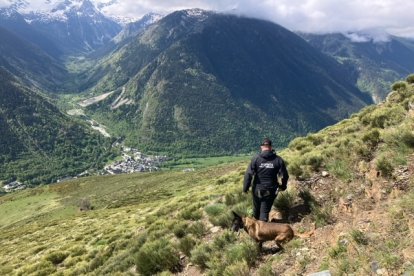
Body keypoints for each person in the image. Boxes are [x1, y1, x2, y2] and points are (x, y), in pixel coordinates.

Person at [243, 138, 289, 222]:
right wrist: (283, 186)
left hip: (257, 189)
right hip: (270, 190)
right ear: (271, 147)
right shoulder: (278, 160)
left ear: (261, 147)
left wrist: (245, 188)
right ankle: (262, 229)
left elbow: (248, 174)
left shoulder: (256, 159)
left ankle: (256, 228)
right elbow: (284, 175)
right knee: (264, 210)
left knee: (256, 209)